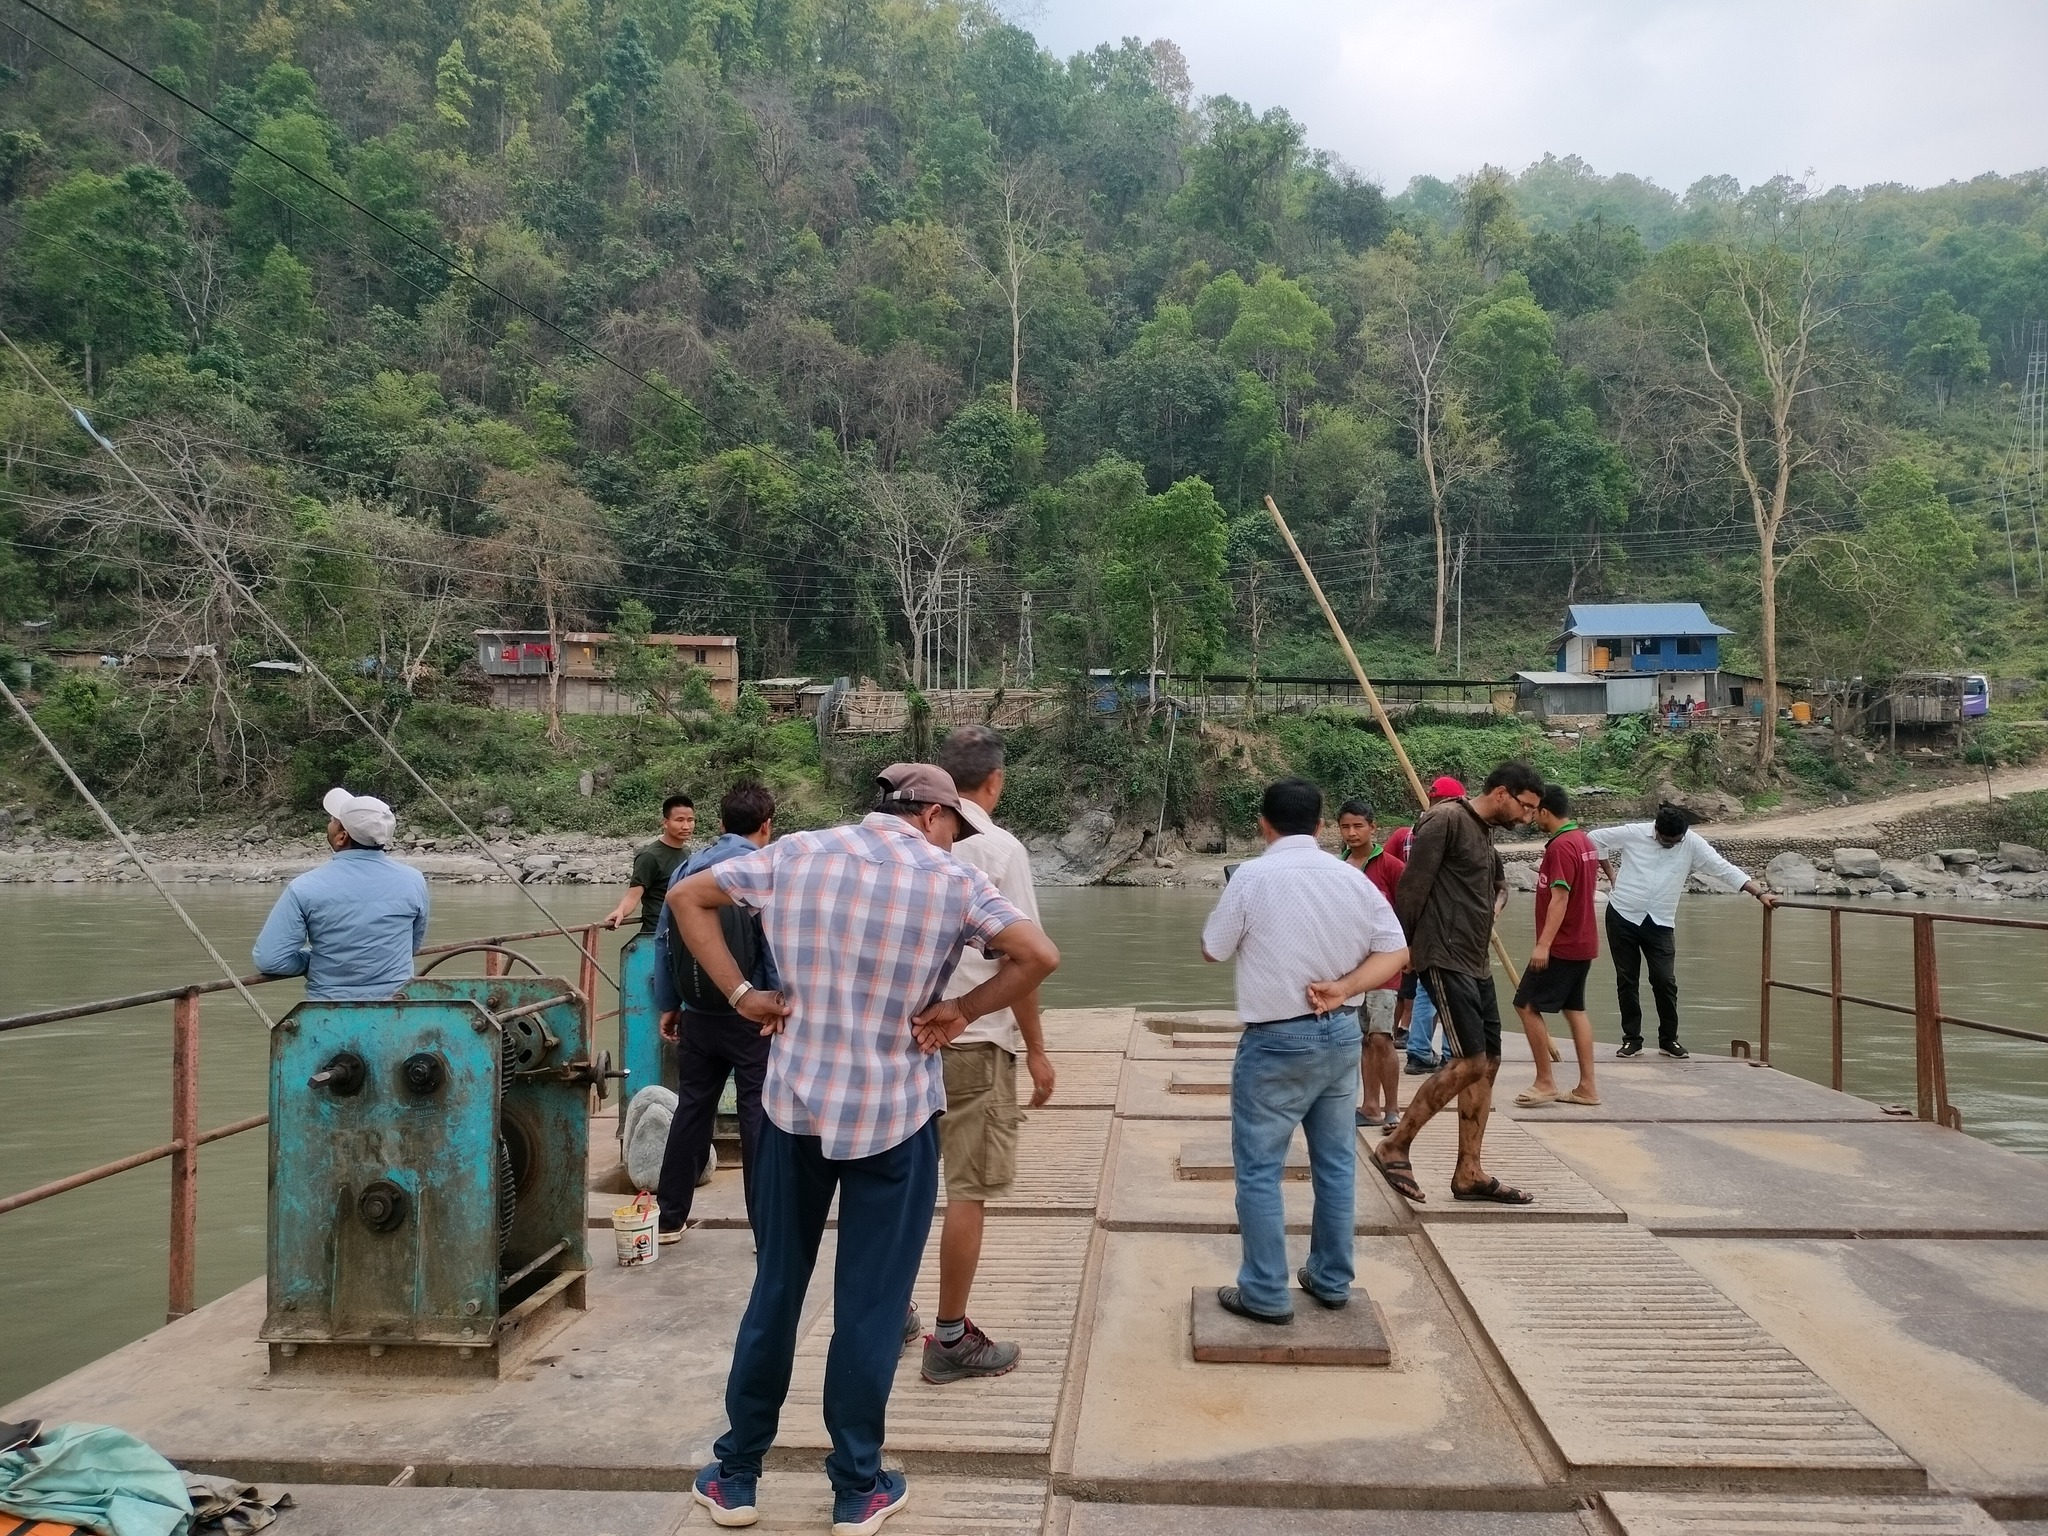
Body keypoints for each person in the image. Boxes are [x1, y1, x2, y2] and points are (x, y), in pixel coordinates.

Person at [671, 764, 1059, 1535]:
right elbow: (1037, 955)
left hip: (795, 1108)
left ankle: (738, 1475)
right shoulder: (951, 882)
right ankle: (855, 1487)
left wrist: (746, 995)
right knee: (871, 1307)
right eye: (955, 826)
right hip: (895, 1115)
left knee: (778, 1288)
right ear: (933, 817)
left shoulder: (798, 854)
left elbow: (689, 897)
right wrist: (960, 1009)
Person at [1201, 779, 1409, 1324]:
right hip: (1340, 1034)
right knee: (1337, 1164)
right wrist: (1345, 988)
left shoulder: (1251, 877)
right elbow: (1396, 952)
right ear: (1321, 826)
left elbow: (1212, 950)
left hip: (1274, 1041)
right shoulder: (1353, 879)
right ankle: (1332, 1279)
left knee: (1259, 1169)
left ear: (1264, 824)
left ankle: (1266, 1294)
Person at [922, 725, 1055, 1384]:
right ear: (995, 782)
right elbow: (1022, 961)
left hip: (905, 1042)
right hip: (972, 1042)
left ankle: (890, 1310)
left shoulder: (905, 843)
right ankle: (949, 1337)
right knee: (967, 1192)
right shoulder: (998, 851)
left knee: (904, 1187)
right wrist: (1036, 1051)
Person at [1369, 762, 1545, 1206]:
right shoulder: (1444, 819)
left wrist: (1495, 906)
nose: (1527, 818)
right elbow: (1411, 888)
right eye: (1525, 807)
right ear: (1502, 793)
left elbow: (1500, 885)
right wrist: (1404, 952)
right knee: (1468, 1061)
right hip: (1443, 956)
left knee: (1489, 1063)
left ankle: (1469, 1171)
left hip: (1475, 959)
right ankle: (1395, 1145)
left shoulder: (1485, 833)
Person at [648, 781, 780, 1244]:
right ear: (767, 825)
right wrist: (772, 1001)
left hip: (699, 1012)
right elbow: (772, 945)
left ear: (721, 824)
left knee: (692, 1109)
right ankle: (766, 1229)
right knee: (757, 1119)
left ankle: (668, 1218)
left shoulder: (688, 868)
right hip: (752, 1017)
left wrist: (670, 1003)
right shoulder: (762, 868)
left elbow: (664, 940)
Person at [1592, 805, 1777, 1059]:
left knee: (1665, 981)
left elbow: (1721, 867)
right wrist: (1610, 872)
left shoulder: (1691, 843)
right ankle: (1631, 1040)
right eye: (1666, 841)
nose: (1671, 845)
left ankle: (1669, 1040)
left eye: (1675, 842)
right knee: (1627, 980)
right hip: (1622, 915)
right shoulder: (1634, 833)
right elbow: (1593, 838)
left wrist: (1758, 892)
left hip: (1660, 921)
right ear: (1656, 830)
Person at [253, 787, 429, 1000]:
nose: (329, 824)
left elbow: (271, 960)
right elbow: (411, 944)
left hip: (328, 1014)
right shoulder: (414, 880)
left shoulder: (305, 887)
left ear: (341, 837)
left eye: (333, 820)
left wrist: (314, 960)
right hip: (398, 1009)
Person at [1513, 785, 1602, 1107]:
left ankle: (1545, 1081)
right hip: (1583, 941)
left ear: (1545, 812)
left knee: (1525, 1004)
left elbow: (1560, 897)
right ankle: (1587, 1087)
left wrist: (1543, 945)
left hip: (1562, 944)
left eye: (1534, 810)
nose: (1531, 816)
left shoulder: (1561, 847)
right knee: (1574, 1009)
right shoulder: (1584, 841)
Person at [1334, 798, 1405, 1129]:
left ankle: (1392, 1108)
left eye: (1358, 826)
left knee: (1381, 1037)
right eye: (1345, 826)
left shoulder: (1391, 866)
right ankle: (1370, 1105)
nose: (1351, 832)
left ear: (1373, 828)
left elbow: (1409, 911)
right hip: (1350, 967)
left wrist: (1409, 953)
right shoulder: (1339, 867)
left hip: (1385, 964)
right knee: (1363, 1038)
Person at [1385, 776, 1463, 1075]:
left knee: (1425, 987)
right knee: (1447, 988)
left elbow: (1397, 878)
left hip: (1416, 922)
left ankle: (1418, 1049)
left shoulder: (1408, 834)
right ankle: (1446, 1052)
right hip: (1444, 922)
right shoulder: (1448, 830)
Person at [605, 793, 696, 935]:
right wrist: (620, 911)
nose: (686, 826)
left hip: (683, 928)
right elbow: (633, 895)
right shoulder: (650, 856)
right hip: (657, 932)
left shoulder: (686, 852)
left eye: (690, 820)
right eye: (679, 820)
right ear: (665, 823)